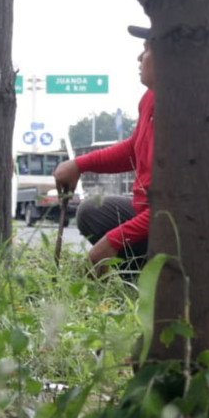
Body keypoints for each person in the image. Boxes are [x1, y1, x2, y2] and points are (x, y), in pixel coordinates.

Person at [53, 26, 153, 274]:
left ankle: (155, 284)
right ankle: (137, 276)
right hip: (149, 215)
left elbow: (175, 208)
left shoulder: (185, 112)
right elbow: (133, 149)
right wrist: (79, 164)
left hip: (174, 224)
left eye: (148, 49)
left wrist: (113, 241)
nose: (140, 58)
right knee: (92, 212)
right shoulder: (150, 98)